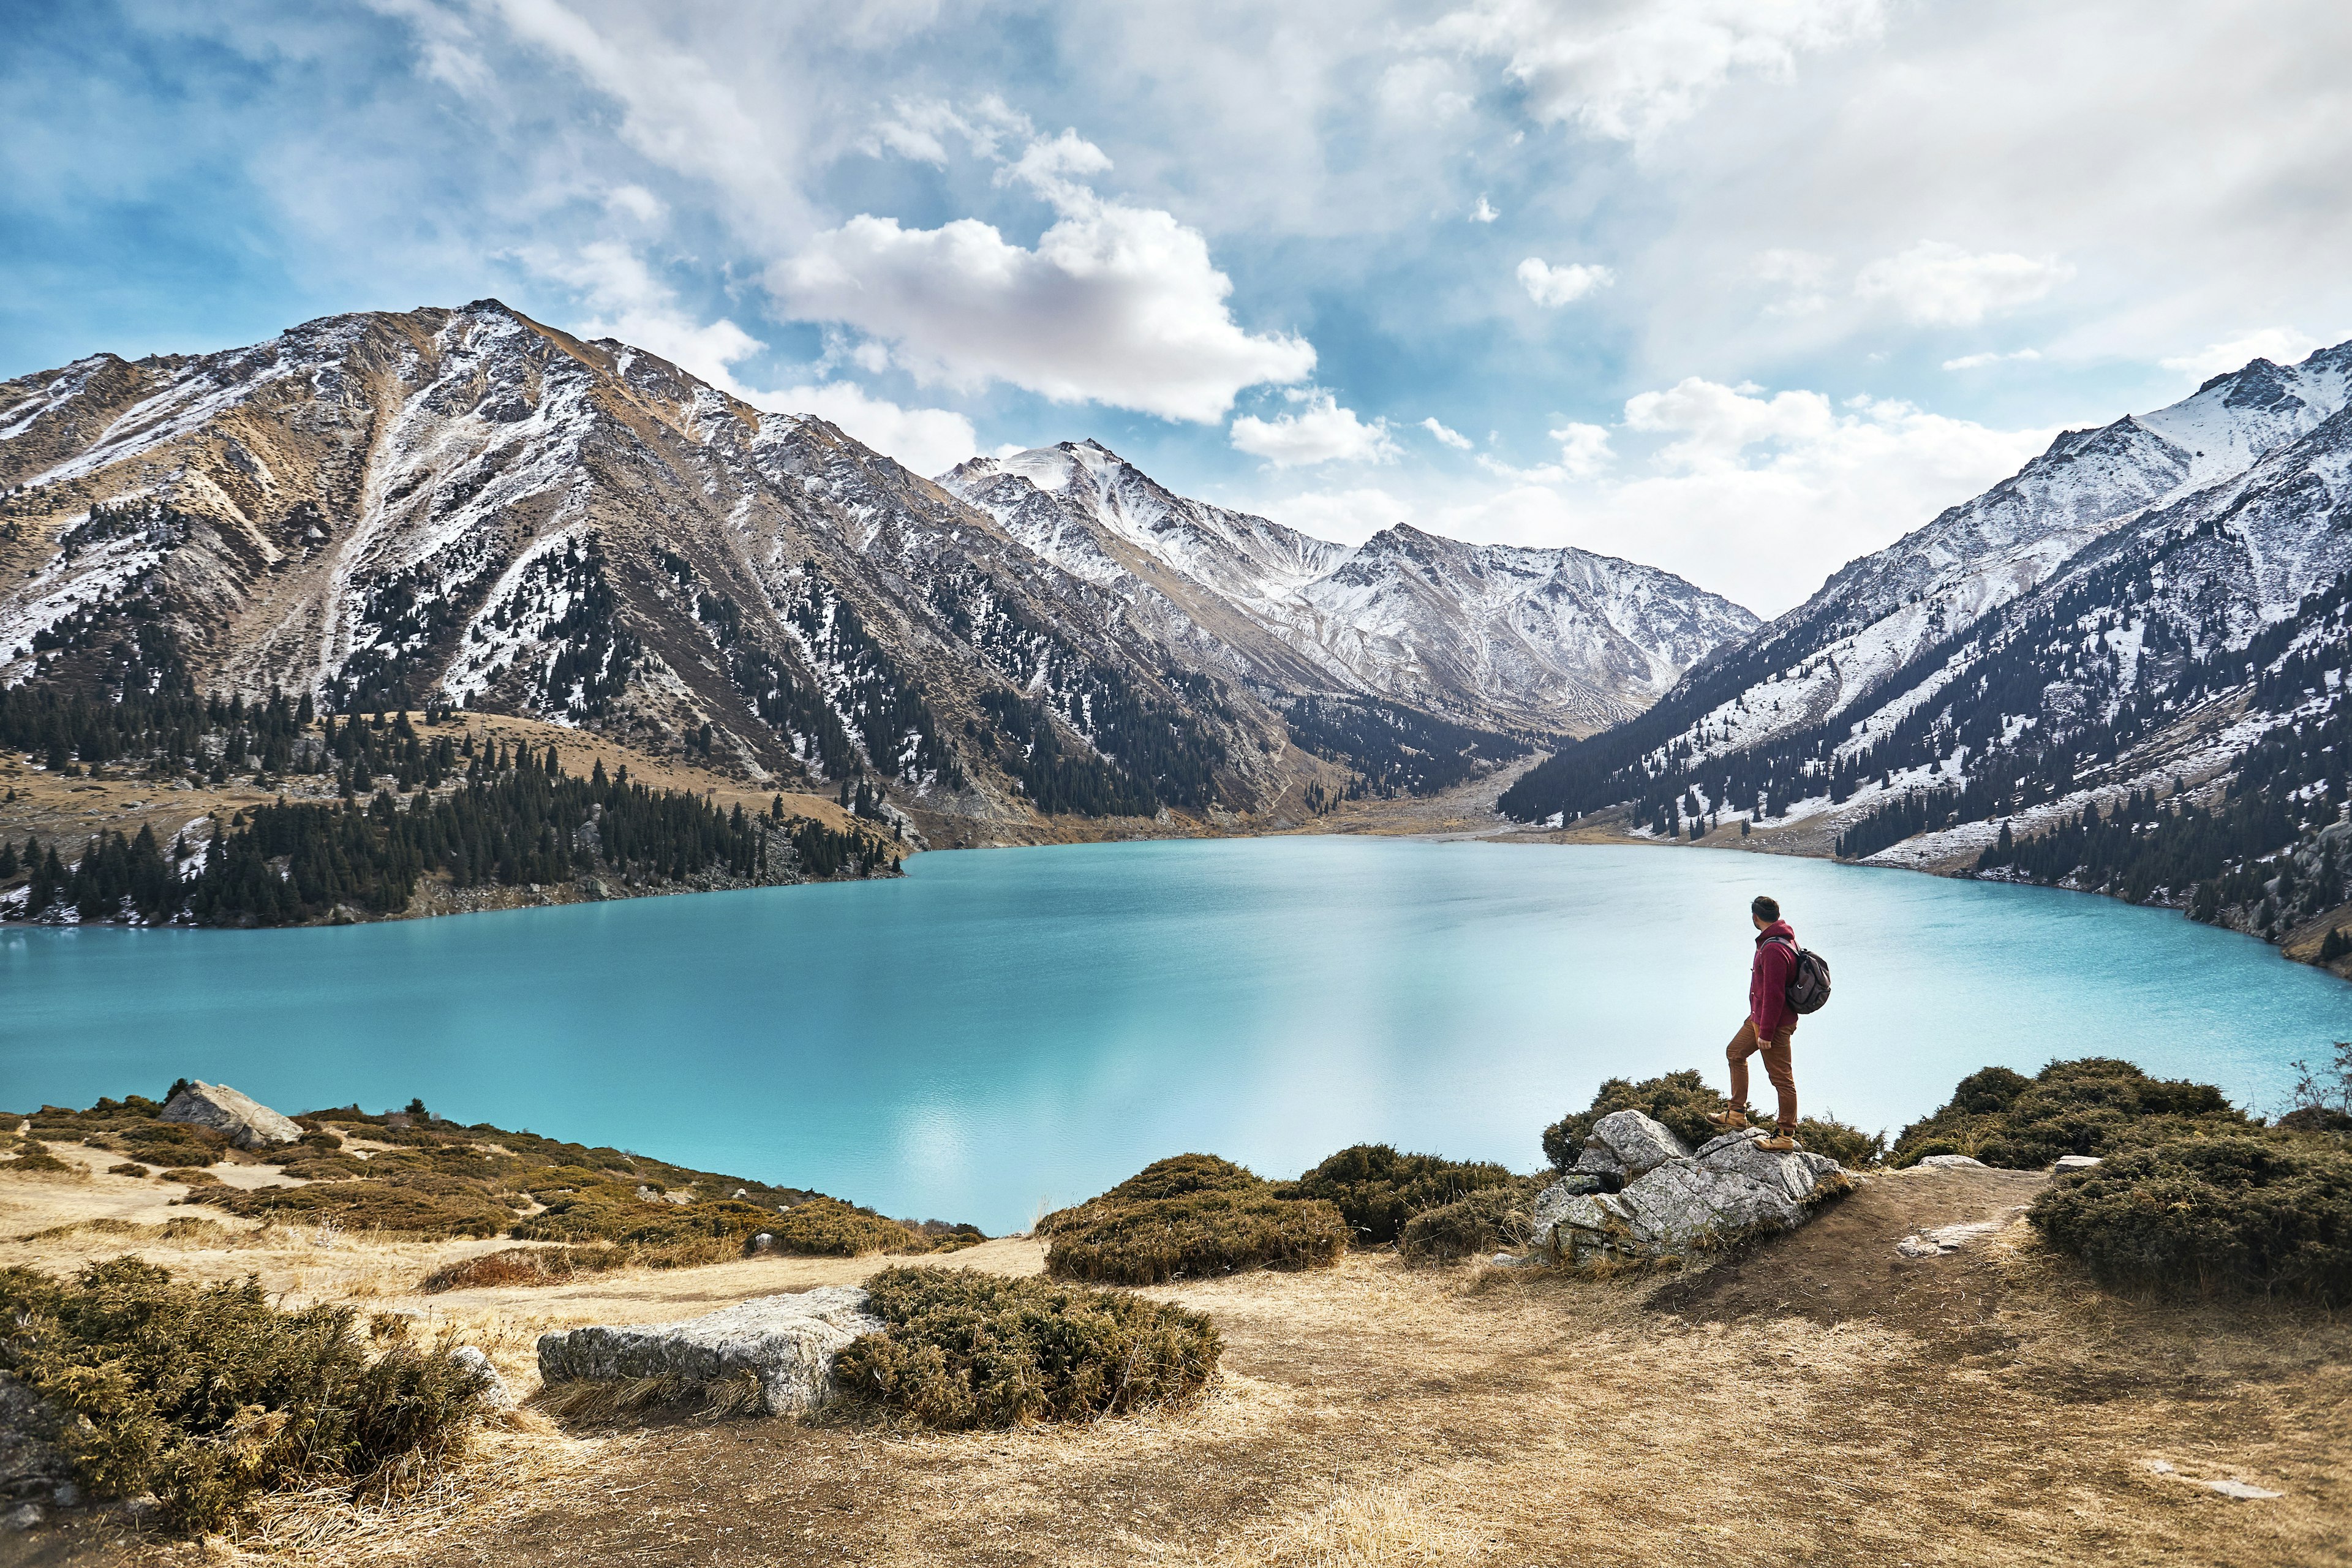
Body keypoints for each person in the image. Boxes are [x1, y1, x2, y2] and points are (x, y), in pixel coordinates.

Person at [1708, 894, 1800, 1151]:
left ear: (1755, 917)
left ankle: (1784, 1135)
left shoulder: (1773, 948)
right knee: (1735, 1053)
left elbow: (1775, 994)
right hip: (1759, 1018)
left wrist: (1767, 1033)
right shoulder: (1781, 939)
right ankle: (1736, 1114)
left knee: (1782, 1079)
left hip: (1774, 1024)